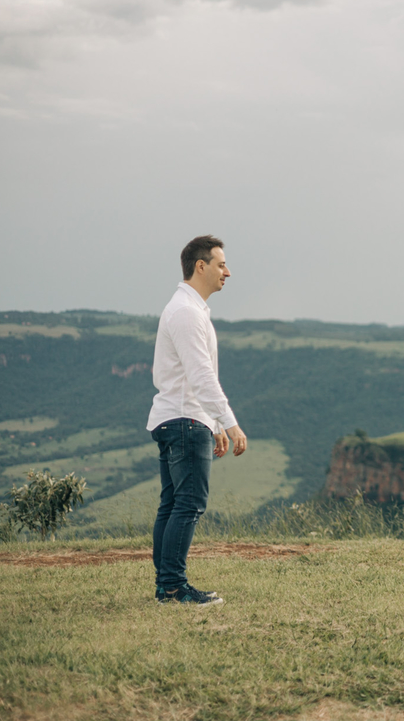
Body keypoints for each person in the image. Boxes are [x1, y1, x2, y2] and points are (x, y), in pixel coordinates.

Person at [147, 235, 247, 605]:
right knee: (188, 503)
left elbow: (195, 377)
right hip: (185, 420)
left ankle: (165, 585)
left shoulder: (187, 308)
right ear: (200, 266)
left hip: (179, 417)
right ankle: (172, 587)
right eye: (221, 264)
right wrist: (229, 422)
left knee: (173, 504)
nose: (228, 272)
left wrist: (215, 425)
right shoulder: (186, 312)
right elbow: (202, 375)